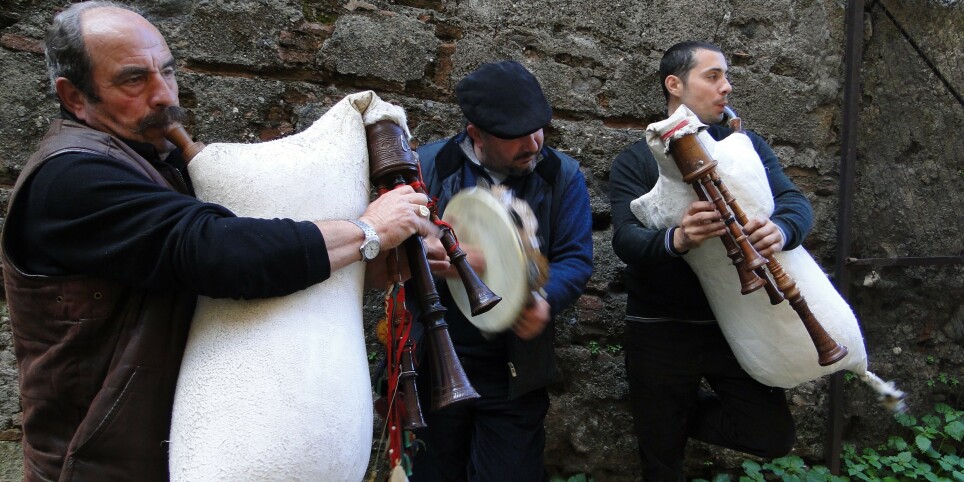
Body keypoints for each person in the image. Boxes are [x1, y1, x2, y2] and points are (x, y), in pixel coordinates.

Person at [1, 2, 443, 481]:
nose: (162, 95)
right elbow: (218, 253)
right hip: (95, 466)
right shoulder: (71, 176)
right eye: (134, 80)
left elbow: (209, 269)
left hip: (169, 456)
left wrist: (368, 264)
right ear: (74, 96)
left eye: (166, 72)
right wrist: (368, 232)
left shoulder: (152, 163)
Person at [609, 41, 813, 481]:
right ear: (674, 84)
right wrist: (678, 238)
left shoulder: (746, 145)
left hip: (735, 326)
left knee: (771, 435)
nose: (727, 86)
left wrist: (779, 231)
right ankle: (662, 424)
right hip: (659, 328)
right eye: (713, 76)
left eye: (726, 76)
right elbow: (625, 241)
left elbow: (795, 204)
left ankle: (668, 419)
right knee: (661, 464)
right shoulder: (636, 159)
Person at [408, 60, 593, 482]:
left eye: (538, 129)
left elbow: (576, 259)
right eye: (515, 136)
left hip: (514, 370)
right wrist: (431, 252)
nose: (533, 143)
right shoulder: (427, 167)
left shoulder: (561, 175)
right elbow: (394, 244)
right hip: (437, 356)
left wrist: (543, 300)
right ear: (476, 133)